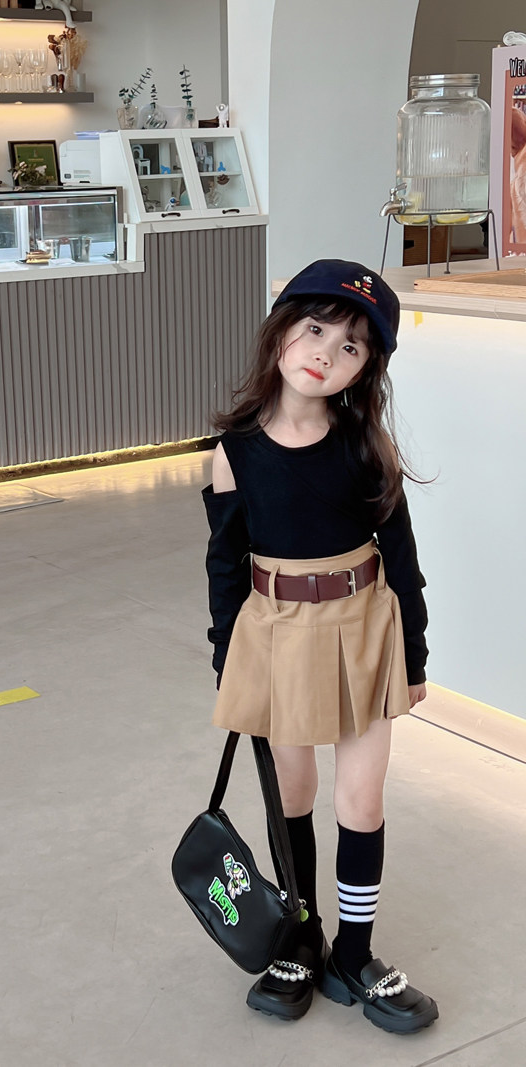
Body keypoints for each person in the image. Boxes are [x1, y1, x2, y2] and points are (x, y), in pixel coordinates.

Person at [202, 259, 438, 1035]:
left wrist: (415, 655)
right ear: (281, 330)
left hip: (365, 628)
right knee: (293, 796)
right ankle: (301, 938)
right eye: (315, 330)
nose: (325, 354)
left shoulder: (367, 445)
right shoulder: (234, 452)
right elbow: (225, 566)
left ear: (365, 369)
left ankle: (353, 954)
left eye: (351, 347)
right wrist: (229, 663)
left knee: (360, 800)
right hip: (277, 634)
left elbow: (401, 558)